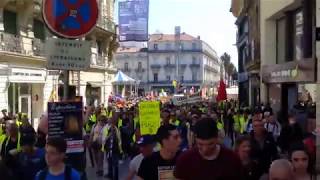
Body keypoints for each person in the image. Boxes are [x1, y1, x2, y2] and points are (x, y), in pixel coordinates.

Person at [174, 118, 244, 180]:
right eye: (200, 144)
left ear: (217, 137)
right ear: (195, 138)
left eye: (210, 144)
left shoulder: (232, 159)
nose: (205, 149)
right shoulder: (185, 160)